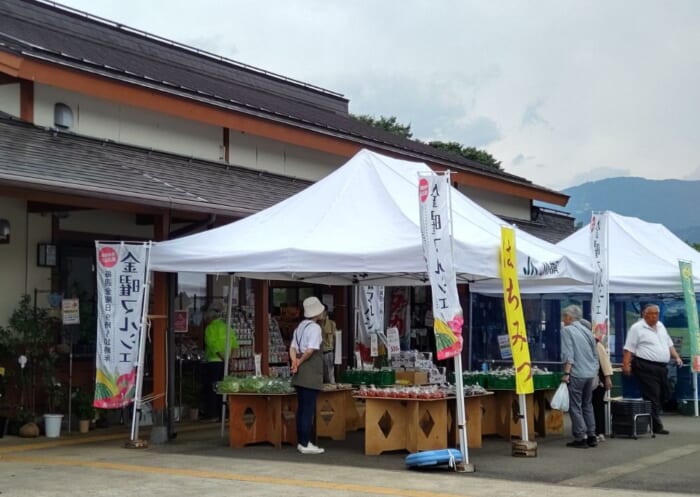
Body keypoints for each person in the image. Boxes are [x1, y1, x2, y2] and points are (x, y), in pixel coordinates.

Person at [623, 303, 683, 435]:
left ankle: (653, 417)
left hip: (661, 367)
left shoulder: (661, 326)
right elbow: (629, 348)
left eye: (656, 314)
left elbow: (669, 344)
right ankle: (656, 426)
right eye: (652, 314)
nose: (655, 317)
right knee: (652, 395)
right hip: (645, 366)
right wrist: (626, 365)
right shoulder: (637, 328)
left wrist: (676, 357)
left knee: (665, 393)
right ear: (645, 314)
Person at [290, 296, 326, 454]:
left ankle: (301, 441)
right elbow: (311, 350)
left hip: (299, 373)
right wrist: (301, 360)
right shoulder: (315, 328)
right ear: (317, 313)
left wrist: (295, 362)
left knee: (302, 407)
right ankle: (305, 443)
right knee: (308, 409)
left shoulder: (300, 327)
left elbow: (292, 348)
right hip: (310, 372)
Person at [560, 305, 599, 448]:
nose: (563, 320)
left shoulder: (567, 330)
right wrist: (594, 370)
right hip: (590, 373)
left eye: (564, 317)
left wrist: (566, 373)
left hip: (577, 373)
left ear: (569, 317)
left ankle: (580, 437)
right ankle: (592, 435)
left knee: (575, 406)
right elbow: (595, 353)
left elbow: (568, 354)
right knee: (587, 404)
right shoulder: (587, 331)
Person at [202, 303, 239, 421]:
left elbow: (212, 346)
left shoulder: (210, 328)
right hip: (226, 362)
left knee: (213, 388)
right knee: (224, 388)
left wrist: (222, 357)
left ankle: (213, 414)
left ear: (210, 318)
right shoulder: (227, 327)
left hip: (214, 361)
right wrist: (230, 359)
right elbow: (235, 345)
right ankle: (224, 414)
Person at [592, 334, 613, 441]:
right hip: (596, 380)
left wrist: (607, 378)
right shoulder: (596, 343)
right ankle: (598, 432)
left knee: (597, 406)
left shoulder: (597, 344)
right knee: (597, 406)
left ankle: (598, 431)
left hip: (599, 381)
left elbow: (604, 362)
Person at [320, 304, 337, 384]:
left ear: (326, 312)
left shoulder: (331, 324)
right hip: (317, 353)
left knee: (329, 376)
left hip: (328, 353)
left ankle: (331, 392)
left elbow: (336, 339)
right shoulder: (315, 324)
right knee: (319, 375)